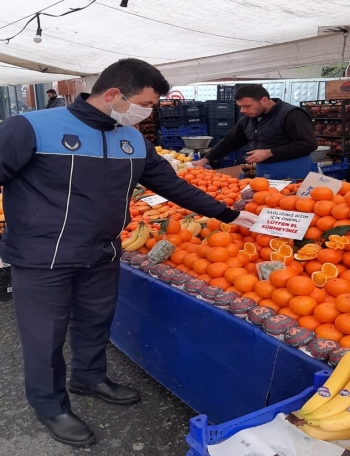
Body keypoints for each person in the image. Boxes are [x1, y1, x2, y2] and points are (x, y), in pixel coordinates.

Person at [0, 58, 257, 448]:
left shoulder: (132, 138)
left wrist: (229, 213)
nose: (148, 112)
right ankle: (49, 404)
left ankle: (89, 377)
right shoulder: (32, 127)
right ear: (113, 94)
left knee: (95, 321)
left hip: (102, 252)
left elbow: (172, 186)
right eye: (147, 103)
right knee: (44, 337)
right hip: (42, 257)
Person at [195, 84, 318, 180]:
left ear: (264, 100)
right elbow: (229, 142)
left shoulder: (292, 115)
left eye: (247, 106)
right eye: (240, 106)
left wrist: (269, 152)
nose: (242, 110)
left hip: (293, 172)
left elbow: (308, 144)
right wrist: (205, 160)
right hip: (264, 171)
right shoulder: (248, 119)